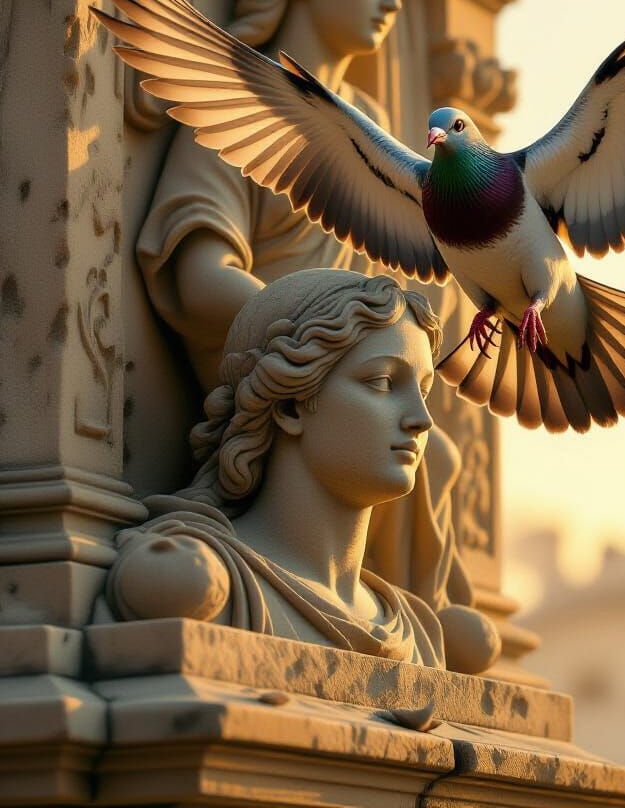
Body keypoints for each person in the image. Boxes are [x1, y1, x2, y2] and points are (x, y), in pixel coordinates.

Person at [136, 0, 475, 618]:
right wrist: (318, 346)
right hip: (278, 365)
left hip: (357, 376)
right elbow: (198, 275)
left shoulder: (373, 126)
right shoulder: (243, 106)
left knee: (437, 461)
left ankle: (394, 608)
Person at [101, 270, 499, 672]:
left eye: (424, 390)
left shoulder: (418, 634)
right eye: (382, 382)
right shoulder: (208, 584)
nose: (422, 419)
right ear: (290, 406)